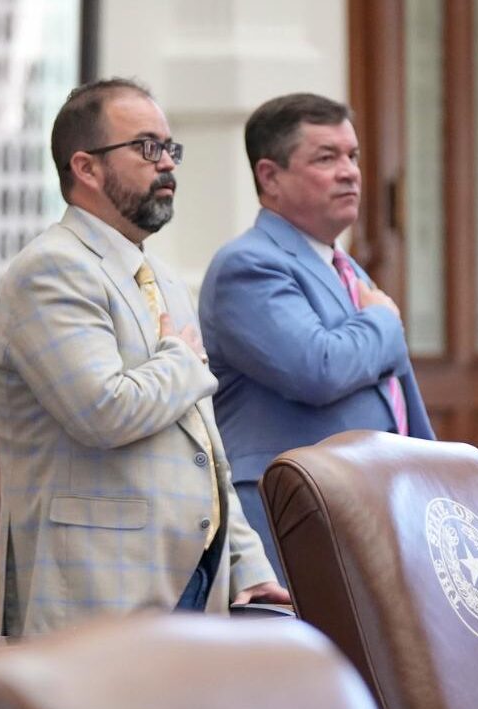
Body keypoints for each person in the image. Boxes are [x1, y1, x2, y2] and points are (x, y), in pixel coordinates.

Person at [0, 79, 289, 636]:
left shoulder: (164, 280)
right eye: (147, 147)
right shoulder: (51, 269)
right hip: (100, 595)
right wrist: (182, 360)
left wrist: (245, 562)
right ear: (87, 167)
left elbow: (207, 446)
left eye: (170, 148)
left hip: (197, 583)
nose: (167, 164)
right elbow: (104, 411)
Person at [200, 92, 434, 582]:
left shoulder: (342, 265)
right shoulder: (249, 265)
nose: (349, 171)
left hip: (375, 506)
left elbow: (392, 394)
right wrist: (384, 323)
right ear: (270, 176)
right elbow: (319, 367)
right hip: (297, 515)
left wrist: (434, 477)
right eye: (326, 158)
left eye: (352, 156)